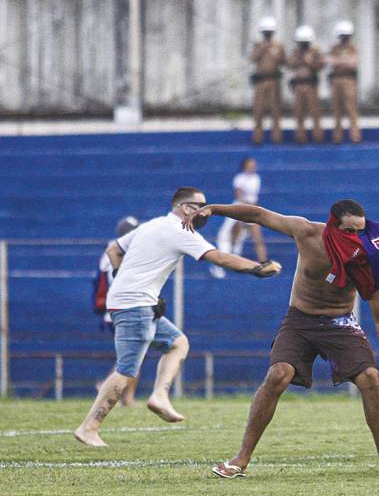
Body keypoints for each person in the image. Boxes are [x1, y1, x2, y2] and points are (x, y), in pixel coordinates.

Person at [183, 198, 379, 478]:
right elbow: (259, 214)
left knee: (370, 379)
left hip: (340, 323)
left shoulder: (368, 256)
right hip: (300, 319)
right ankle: (240, 460)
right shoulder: (306, 232)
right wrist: (214, 209)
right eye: (348, 231)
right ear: (333, 227)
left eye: (360, 231)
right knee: (278, 374)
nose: (355, 238)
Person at [74, 188, 282, 447]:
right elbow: (216, 256)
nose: (206, 211)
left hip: (135, 301)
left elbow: (114, 250)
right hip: (135, 304)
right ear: (186, 209)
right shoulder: (181, 231)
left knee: (177, 343)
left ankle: (159, 396)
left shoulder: (152, 225)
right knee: (126, 370)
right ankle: (89, 427)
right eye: (201, 205)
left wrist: (124, 280)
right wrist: (257, 268)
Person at [92, 215, 140, 406]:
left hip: (114, 309)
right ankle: (110, 390)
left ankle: (125, 397)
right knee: (132, 355)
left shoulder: (109, 250)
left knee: (132, 355)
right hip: (123, 308)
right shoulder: (123, 251)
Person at [210, 157, 268, 279]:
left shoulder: (256, 178)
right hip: (239, 208)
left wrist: (252, 208)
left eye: (254, 164)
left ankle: (264, 264)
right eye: (250, 164)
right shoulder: (239, 178)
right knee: (234, 229)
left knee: (257, 235)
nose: (253, 166)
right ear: (245, 166)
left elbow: (253, 197)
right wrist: (246, 206)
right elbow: (238, 194)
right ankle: (233, 253)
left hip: (252, 208)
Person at [249, 16, 287, 145]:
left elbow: (284, 61)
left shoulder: (279, 46)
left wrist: (276, 54)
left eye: (269, 33)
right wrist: (262, 49)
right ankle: (257, 138)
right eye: (265, 33)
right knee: (258, 110)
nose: (267, 35)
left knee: (275, 110)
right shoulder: (257, 45)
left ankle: (277, 138)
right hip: (260, 81)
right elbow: (253, 58)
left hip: (273, 80)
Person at [288, 25, 325, 144]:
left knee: (315, 112)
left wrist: (311, 62)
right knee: (298, 113)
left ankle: (318, 137)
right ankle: (300, 138)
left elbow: (321, 65)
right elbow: (289, 64)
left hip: (311, 85)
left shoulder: (316, 52)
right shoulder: (296, 52)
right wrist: (299, 59)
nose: (303, 45)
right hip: (298, 85)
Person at [327, 20, 361, 144]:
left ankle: (355, 137)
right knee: (336, 108)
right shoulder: (334, 48)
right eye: (342, 36)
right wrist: (343, 61)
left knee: (351, 108)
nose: (344, 39)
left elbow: (353, 63)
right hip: (336, 80)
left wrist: (339, 61)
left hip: (349, 80)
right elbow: (329, 61)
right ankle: (337, 138)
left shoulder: (353, 48)